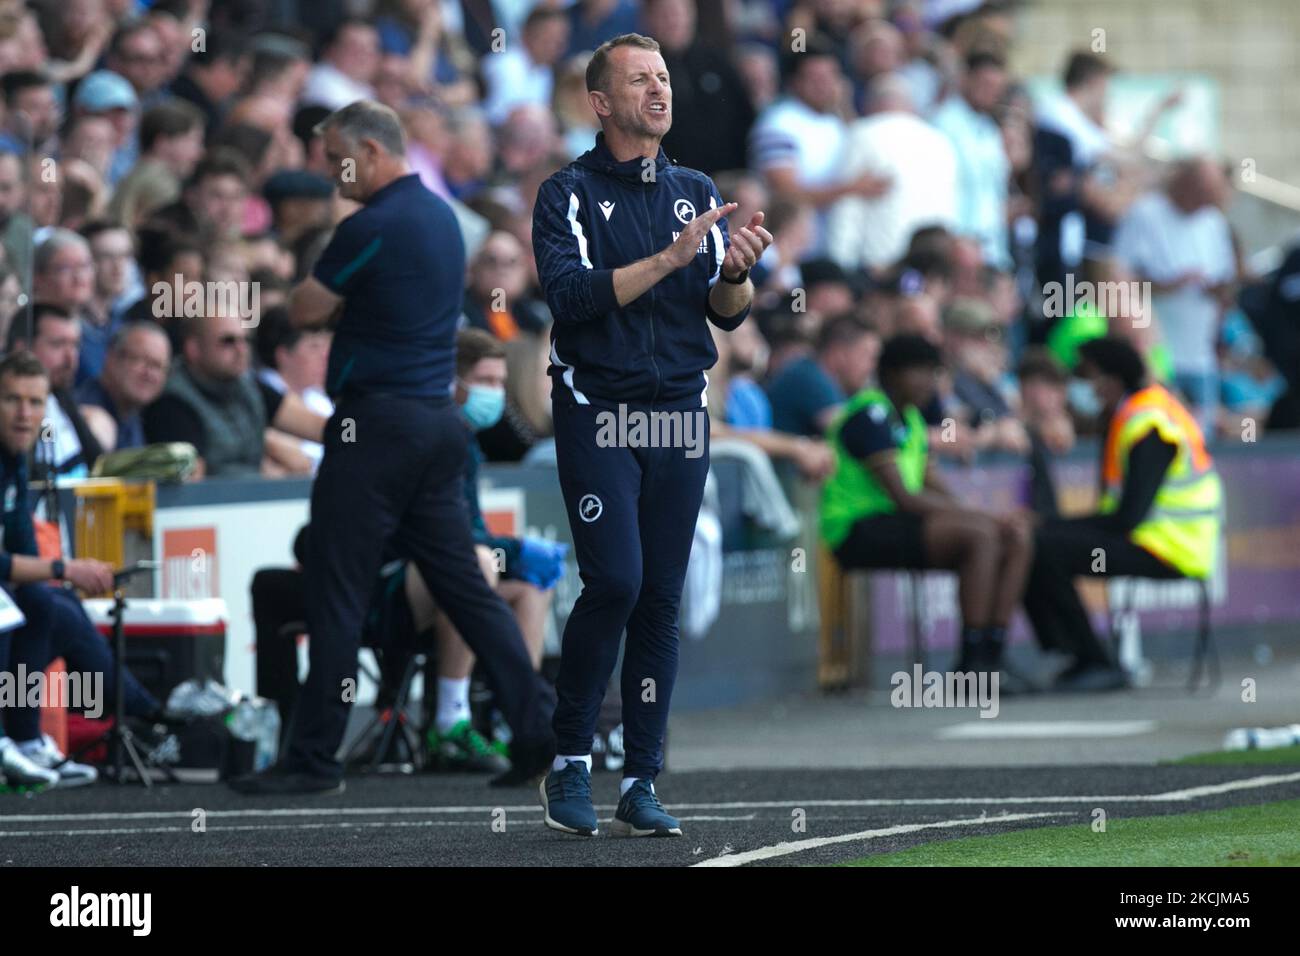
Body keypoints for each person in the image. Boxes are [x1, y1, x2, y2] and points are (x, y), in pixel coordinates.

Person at [230, 100, 556, 795]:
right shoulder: (442, 218)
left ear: (372, 152)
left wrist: (336, 297)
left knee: (337, 591)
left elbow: (305, 309)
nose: (331, 174)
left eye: (337, 159)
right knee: (467, 591)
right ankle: (538, 732)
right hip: (436, 422)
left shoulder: (372, 224)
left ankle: (314, 758)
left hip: (374, 428)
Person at [531, 33, 770, 837]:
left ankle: (641, 779)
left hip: (679, 413)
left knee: (661, 600)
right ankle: (569, 758)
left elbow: (724, 313)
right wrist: (670, 260)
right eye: (641, 80)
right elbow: (570, 297)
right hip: (598, 409)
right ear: (601, 103)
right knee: (618, 583)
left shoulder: (695, 188)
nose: (659, 90)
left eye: (663, 76)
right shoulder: (565, 192)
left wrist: (732, 273)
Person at [820, 334, 1034, 684]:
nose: (927, 381)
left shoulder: (912, 420)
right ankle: (970, 667)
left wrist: (978, 515)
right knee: (980, 536)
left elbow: (930, 481)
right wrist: (983, 519)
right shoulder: (869, 415)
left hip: (895, 522)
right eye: (917, 371)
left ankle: (991, 656)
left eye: (932, 372)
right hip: (856, 529)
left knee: (1016, 536)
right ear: (890, 374)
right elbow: (905, 497)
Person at [1024, 336, 1223, 691]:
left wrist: (1050, 524)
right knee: (1037, 543)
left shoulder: (1150, 424)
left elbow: (1126, 518)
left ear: (1111, 379)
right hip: (1153, 540)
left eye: (1086, 377)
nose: (1082, 388)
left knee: (1044, 546)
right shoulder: (1133, 414)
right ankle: (1083, 657)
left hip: (1170, 549)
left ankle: (1094, 661)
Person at [0, 351, 115, 789]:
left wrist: (57, 573)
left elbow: (21, 547)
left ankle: (25, 739)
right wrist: (66, 566)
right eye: (12, 400)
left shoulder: (16, 460)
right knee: (6, 606)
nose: (24, 413)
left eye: (35, 402)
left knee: (41, 602)